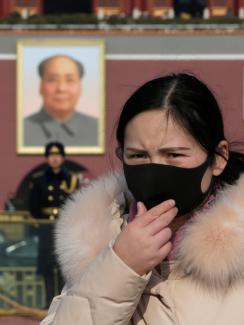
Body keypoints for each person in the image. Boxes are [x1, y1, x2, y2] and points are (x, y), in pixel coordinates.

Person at [41, 73, 244, 324]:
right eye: (138, 156)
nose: (155, 170)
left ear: (218, 158)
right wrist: (119, 268)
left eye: (174, 155)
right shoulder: (100, 248)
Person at [29, 141, 80, 308]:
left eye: (57, 155)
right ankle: (49, 301)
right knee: (47, 266)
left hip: (66, 228)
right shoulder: (39, 181)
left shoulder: (71, 179)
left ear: (63, 157)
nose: (54, 158)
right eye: (51, 155)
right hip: (46, 228)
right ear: (46, 158)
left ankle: (66, 301)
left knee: (65, 264)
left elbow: (77, 204)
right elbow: (33, 208)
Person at [24, 54, 98, 147]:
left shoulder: (97, 128)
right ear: (41, 86)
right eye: (52, 80)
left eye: (70, 80)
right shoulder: (23, 128)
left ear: (80, 87)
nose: (61, 88)